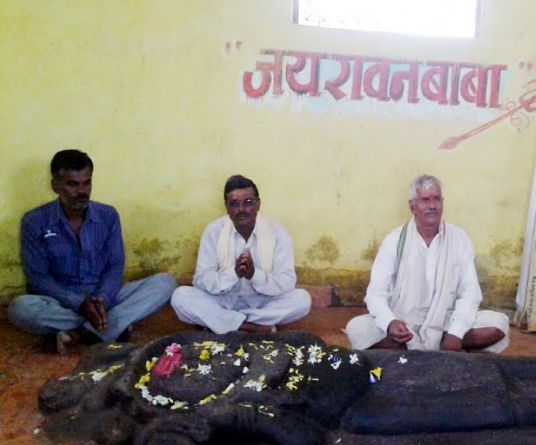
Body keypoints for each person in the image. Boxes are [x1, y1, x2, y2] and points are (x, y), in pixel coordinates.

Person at [8, 149, 177, 354]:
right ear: (55, 186)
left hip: (106, 298)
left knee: (165, 283)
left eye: (86, 183)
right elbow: (39, 279)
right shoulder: (35, 221)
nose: (82, 191)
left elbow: (115, 266)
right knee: (19, 308)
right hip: (62, 302)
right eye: (73, 184)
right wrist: (80, 304)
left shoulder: (108, 215)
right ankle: (113, 326)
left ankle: (81, 334)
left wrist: (102, 299)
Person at [345, 175, 509, 353]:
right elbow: (376, 293)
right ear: (412, 206)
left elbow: (470, 294)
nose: (432, 206)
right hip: (404, 325)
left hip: (446, 324)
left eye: (436, 199)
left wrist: (456, 333)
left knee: (499, 324)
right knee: (357, 328)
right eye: (425, 200)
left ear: (442, 203)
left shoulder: (459, 238)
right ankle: (433, 348)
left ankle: (435, 345)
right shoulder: (394, 240)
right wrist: (390, 322)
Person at [171, 175, 311, 334]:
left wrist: (254, 275)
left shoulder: (277, 232)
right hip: (223, 301)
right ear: (226, 207)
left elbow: (287, 281)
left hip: (262, 302)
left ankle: (223, 322)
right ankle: (253, 327)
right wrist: (233, 273)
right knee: (180, 296)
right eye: (234, 204)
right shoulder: (213, 232)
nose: (241, 210)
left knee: (302, 300)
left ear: (258, 204)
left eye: (248, 202)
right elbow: (201, 279)